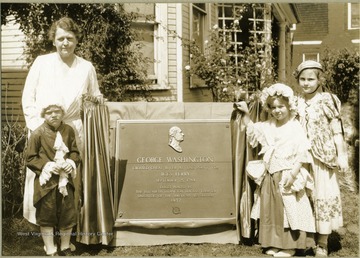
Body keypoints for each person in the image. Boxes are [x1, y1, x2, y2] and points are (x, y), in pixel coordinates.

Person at [22, 17, 101, 226]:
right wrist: (37, 128)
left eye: (69, 38)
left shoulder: (86, 67)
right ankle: (43, 225)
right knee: (45, 176)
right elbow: (27, 98)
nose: (65, 43)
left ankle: (69, 226)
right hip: (44, 131)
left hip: (73, 131)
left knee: (71, 176)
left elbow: (95, 98)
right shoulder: (42, 63)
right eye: (60, 38)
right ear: (53, 40)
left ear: (76, 40)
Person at [236, 83, 316, 257]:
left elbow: (302, 153)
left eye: (281, 106)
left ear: (289, 106)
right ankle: (274, 242)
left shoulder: (294, 127)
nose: (277, 110)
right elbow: (252, 131)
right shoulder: (268, 125)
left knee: (289, 210)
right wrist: (245, 113)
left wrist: (293, 174)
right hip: (271, 175)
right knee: (272, 210)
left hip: (287, 174)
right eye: (273, 107)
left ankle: (291, 245)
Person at [294, 60, 348, 257]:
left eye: (310, 79)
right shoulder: (296, 101)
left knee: (322, 195)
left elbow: (337, 131)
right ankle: (305, 240)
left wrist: (342, 155)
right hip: (301, 157)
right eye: (302, 79)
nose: (306, 83)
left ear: (319, 80)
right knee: (304, 197)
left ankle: (322, 243)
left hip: (322, 157)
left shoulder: (327, 100)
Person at [26, 101, 81, 256]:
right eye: (49, 112)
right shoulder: (38, 133)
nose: (54, 115)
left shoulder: (68, 130)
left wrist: (71, 162)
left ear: (62, 114)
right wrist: (47, 165)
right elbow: (30, 158)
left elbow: (75, 152)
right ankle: (50, 249)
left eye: (57, 111)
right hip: (46, 183)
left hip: (65, 181)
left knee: (67, 213)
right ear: (44, 115)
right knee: (47, 214)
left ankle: (65, 246)